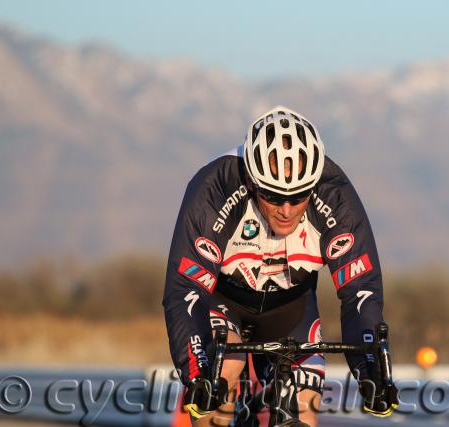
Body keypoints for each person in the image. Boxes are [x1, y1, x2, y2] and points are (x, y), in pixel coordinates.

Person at [163, 106, 397, 426]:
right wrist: (197, 373)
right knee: (220, 378)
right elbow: (184, 290)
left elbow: (361, 292)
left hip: (291, 307)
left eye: (298, 196)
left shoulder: (335, 194)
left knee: (303, 406)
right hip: (223, 299)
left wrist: (372, 372)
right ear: (251, 180)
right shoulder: (215, 188)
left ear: (313, 185)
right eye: (272, 196)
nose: (286, 210)